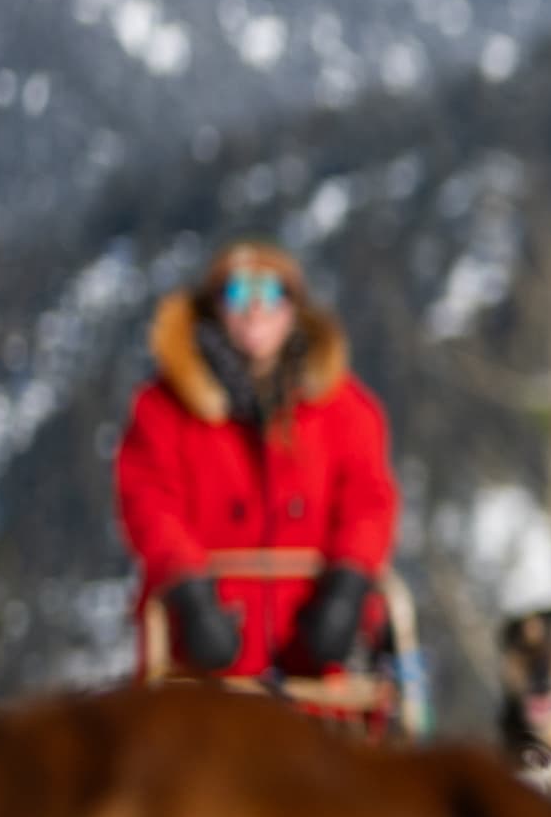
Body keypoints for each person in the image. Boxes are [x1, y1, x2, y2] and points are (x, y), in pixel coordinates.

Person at [116, 240, 399, 685]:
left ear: (293, 308)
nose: (254, 311)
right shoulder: (163, 409)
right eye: (237, 296)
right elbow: (149, 502)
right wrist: (189, 592)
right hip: (206, 657)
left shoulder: (346, 409)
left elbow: (369, 500)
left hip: (317, 655)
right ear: (214, 309)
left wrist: (348, 586)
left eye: (270, 294)